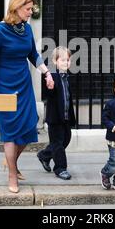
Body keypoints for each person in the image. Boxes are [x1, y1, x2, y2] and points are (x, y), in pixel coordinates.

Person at [0, 0, 54, 194]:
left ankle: (11, 161)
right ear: (16, 8)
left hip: (23, 84)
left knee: (28, 127)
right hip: (4, 85)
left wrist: (47, 73)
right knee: (10, 132)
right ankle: (12, 175)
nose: (31, 12)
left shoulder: (26, 29)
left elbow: (33, 55)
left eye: (32, 8)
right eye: (28, 9)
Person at [36, 46, 76, 180]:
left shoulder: (67, 78)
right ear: (55, 61)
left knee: (65, 139)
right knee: (58, 144)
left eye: (68, 60)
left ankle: (44, 155)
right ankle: (60, 168)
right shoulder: (52, 77)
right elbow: (50, 93)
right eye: (62, 60)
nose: (66, 62)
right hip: (55, 118)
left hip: (65, 117)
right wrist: (50, 86)